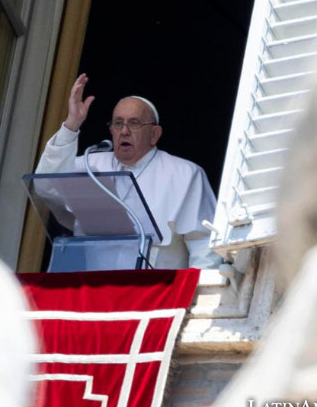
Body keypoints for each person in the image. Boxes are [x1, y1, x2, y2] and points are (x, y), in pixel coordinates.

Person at [35, 73, 223, 269]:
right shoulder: (91, 166)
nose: (124, 131)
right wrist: (72, 124)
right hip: (96, 291)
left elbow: (204, 246)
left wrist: (196, 296)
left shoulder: (185, 174)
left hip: (156, 295)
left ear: (154, 134)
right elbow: (45, 184)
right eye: (118, 123)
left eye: (134, 123)